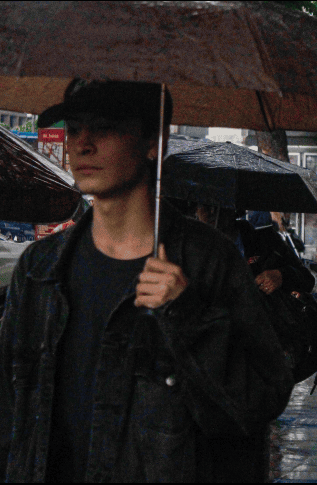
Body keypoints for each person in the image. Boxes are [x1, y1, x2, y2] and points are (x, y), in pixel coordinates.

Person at [0, 79, 294, 482]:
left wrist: (188, 316)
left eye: (103, 128)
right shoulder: (40, 269)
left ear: (153, 141)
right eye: (73, 129)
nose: (81, 145)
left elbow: (261, 400)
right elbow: (10, 415)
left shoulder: (208, 262)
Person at [194, 205, 314, 295]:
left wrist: (281, 275)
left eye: (218, 205)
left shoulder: (265, 240)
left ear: (233, 207)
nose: (212, 212)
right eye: (204, 205)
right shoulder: (193, 251)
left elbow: (307, 279)